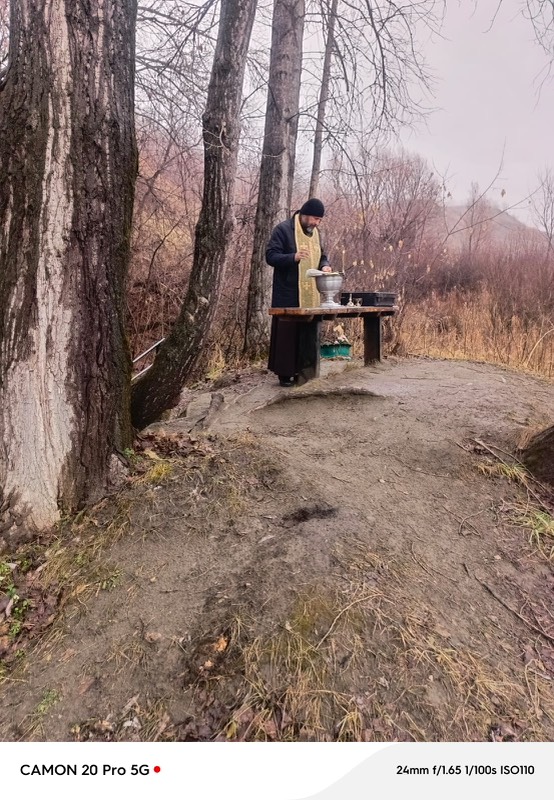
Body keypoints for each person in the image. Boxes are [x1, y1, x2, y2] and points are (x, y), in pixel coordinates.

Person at [266, 198, 332, 387]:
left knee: (308, 333)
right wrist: (293, 257)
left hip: (311, 293)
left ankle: (305, 370)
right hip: (288, 292)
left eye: (319, 220)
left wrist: (325, 265)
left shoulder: (315, 234)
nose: (317, 223)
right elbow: (270, 256)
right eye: (315, 219)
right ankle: (285, 374)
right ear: (304, 215)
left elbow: (322, 255)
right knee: (288, 334)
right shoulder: (283, 230)